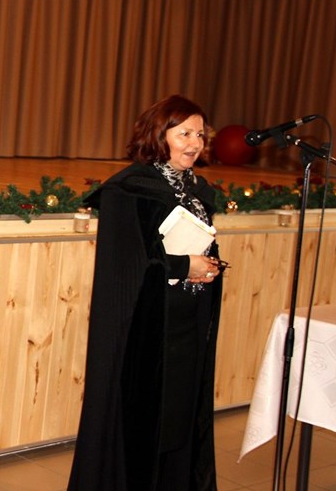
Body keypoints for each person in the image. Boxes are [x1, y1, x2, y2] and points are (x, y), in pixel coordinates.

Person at [67, 95, 225, 491]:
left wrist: (208, 267)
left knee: (179, 420)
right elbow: (125, 267)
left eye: (200, 135)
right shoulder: (129, 190)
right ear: (159, 134)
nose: (194, 143)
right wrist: (183, 267)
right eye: (184, 133)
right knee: (146, 424)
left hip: (187, 325)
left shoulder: (199, 190)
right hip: (144, 331)